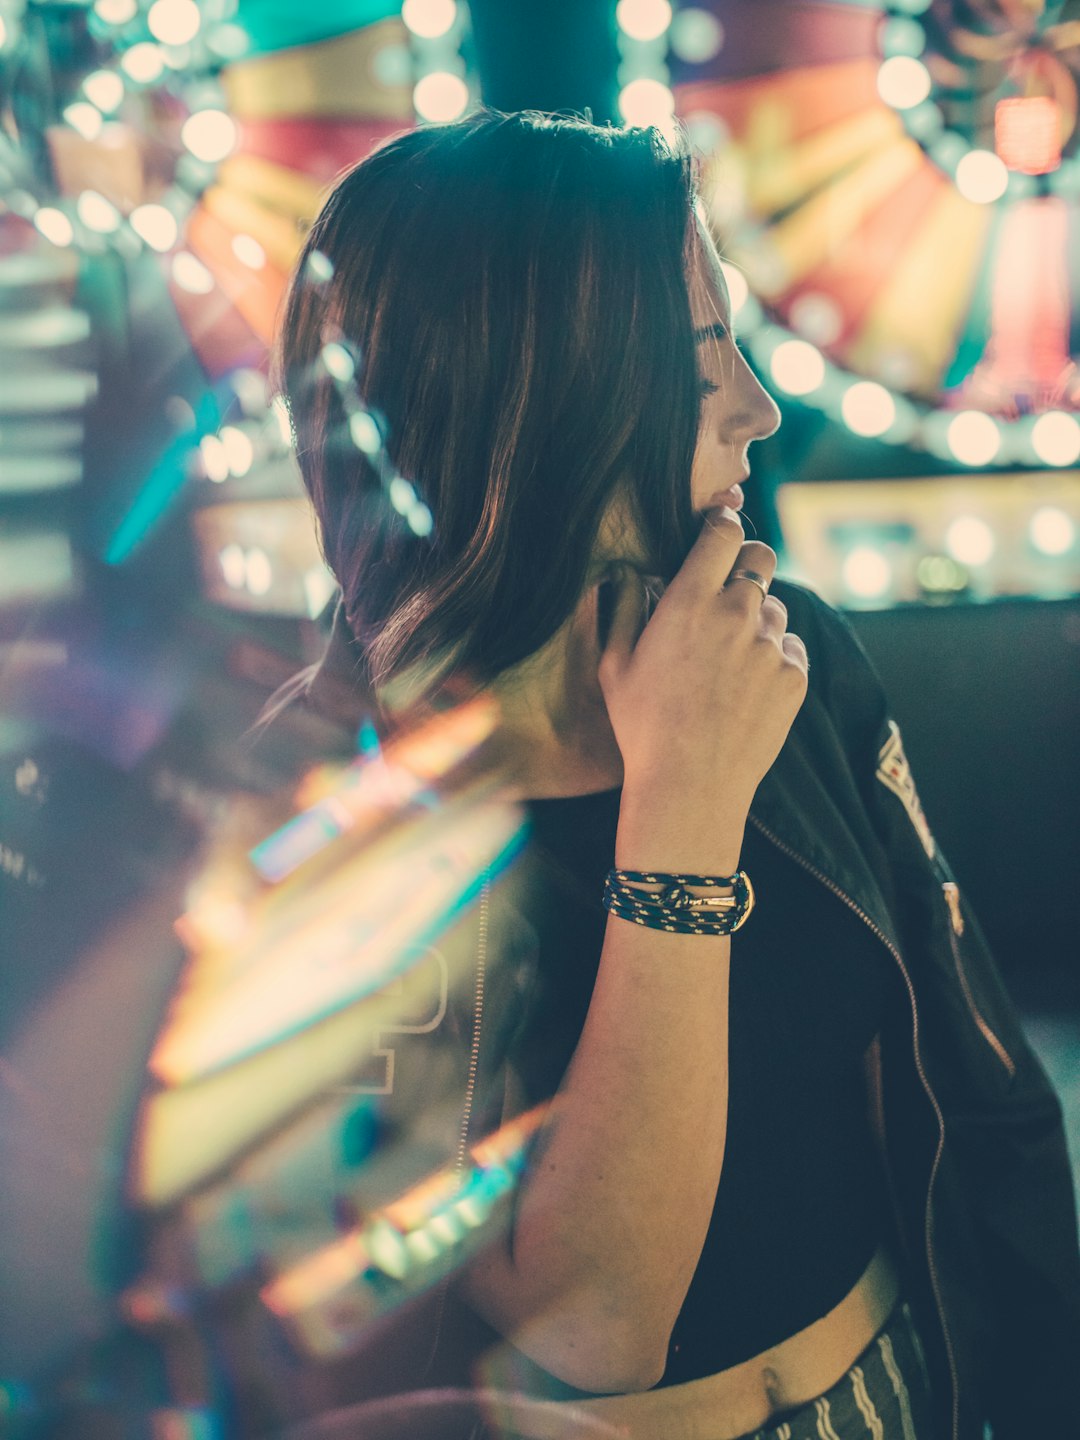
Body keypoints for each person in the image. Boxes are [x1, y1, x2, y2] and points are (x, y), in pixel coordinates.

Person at [273, 109, 1080, 1440]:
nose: (760, 414)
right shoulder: (332, 819)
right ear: (547, 409)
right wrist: (684, 810)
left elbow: (984, 1091)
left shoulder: (785, 648)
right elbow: (594, 1322)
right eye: (708, 363)